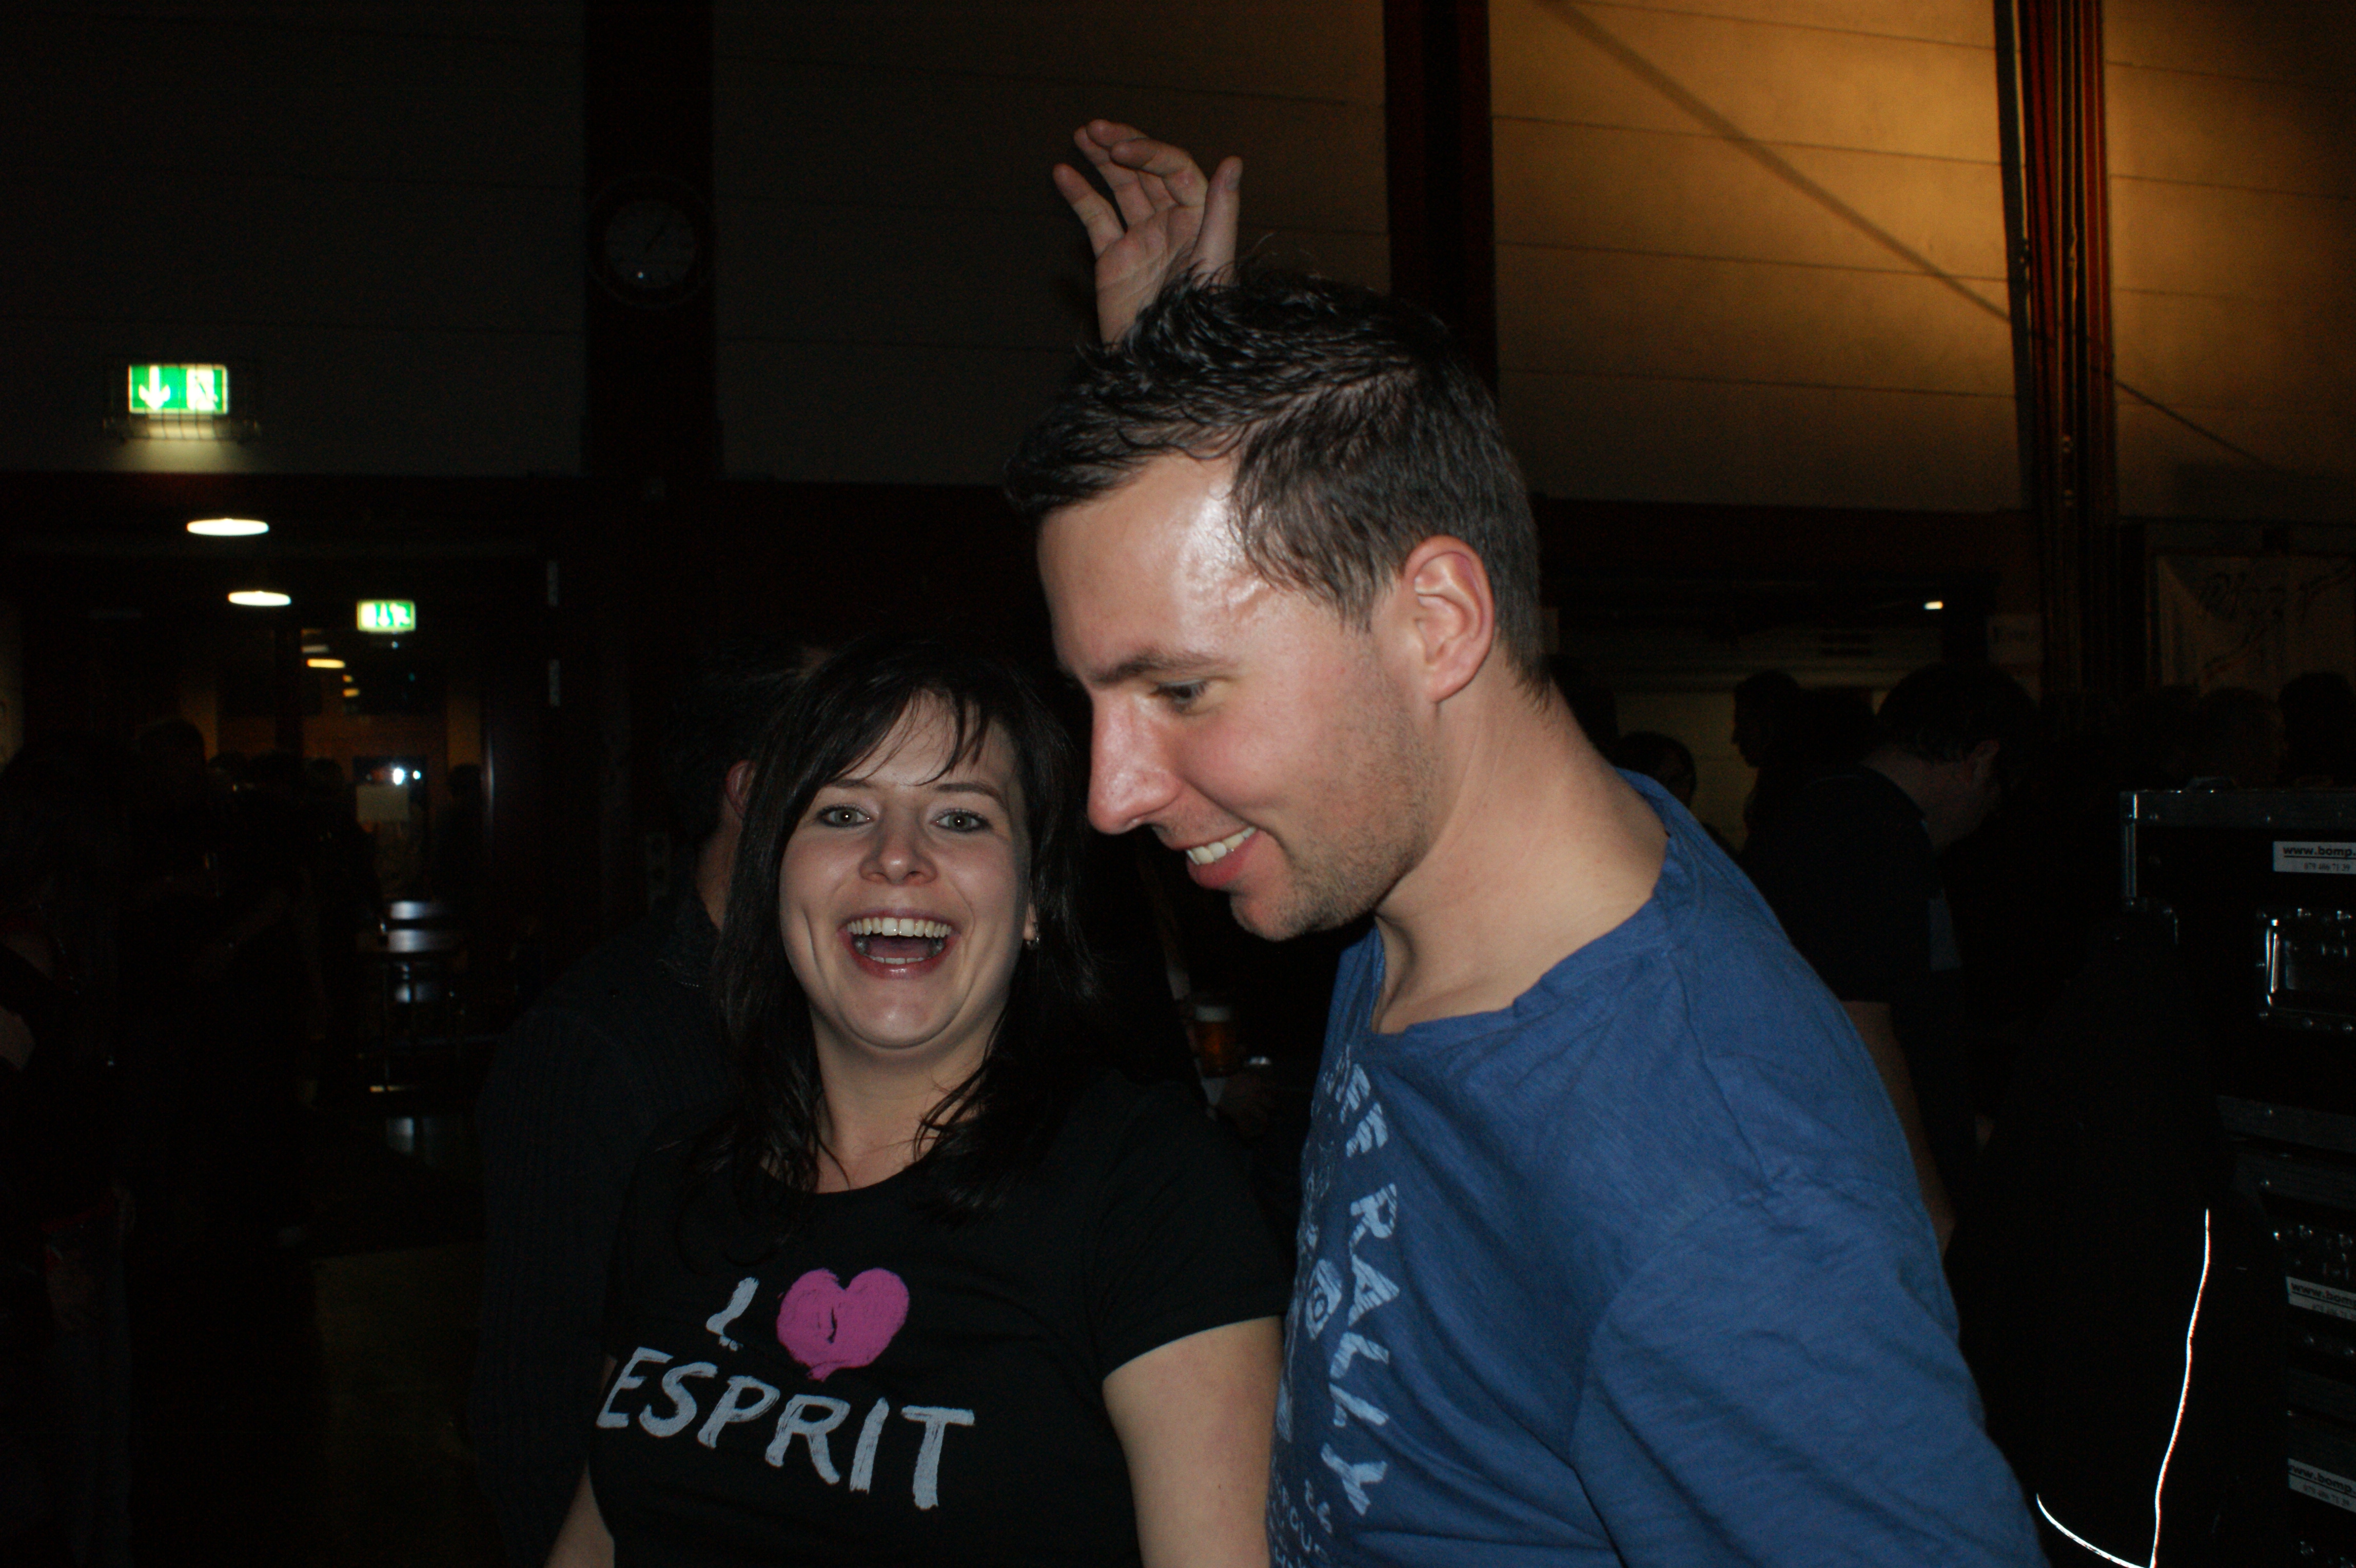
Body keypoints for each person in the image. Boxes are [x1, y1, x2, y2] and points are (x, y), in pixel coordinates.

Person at [1009, 126, 2043, 1565]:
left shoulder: (1712, 1196)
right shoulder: (1425, 864)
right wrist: (1177, 371)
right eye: (1100, 699)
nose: (1112, 796)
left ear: (1437, 625)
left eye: (1179, 690)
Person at [551, 636, 1284, 1567]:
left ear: (1033, 900)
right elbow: (598, 1536)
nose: (896, 857)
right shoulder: (677, 1174)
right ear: (775, 879)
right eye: (844, 812)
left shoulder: (1146, 1186)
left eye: (962, 819)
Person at [473, 637, 811, 1567]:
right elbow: (535, 1397)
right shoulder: (595, 1044)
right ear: (754, 792)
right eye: (850, 770)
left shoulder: (849, 1013)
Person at [1743, 663, 2037, 1250]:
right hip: (1866, 1203)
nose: (1985, 815)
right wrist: (1931, 1212)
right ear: (1979, 760)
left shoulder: (1837, 815)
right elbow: (1863, 1030)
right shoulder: (1870, 834)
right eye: (1995, 794)